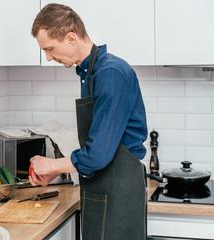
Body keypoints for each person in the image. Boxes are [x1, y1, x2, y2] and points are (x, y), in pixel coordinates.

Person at [29, 3, 148, 240]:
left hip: (118, 198)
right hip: (102, 191)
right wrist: (59, 171)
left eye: (50, 48)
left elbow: (98, 154)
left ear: (71, 38)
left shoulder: (110, 73)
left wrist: (52, 165)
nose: (49, 57)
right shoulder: (90, 73)